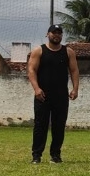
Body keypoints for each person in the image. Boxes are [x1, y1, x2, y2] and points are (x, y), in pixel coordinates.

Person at [27, 24, 80, 163]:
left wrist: (75, 89)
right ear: (48, 34)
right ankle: (36, 155)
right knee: (40, 125)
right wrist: (36, 89)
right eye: (53, 33)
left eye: (59, 33)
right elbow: (31, 70)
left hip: (61, 95)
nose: (56, 35)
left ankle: (55, 155)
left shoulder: (68, 52)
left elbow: (74, 71)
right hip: (42, 95)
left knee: (59, 126)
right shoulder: (39, 51)